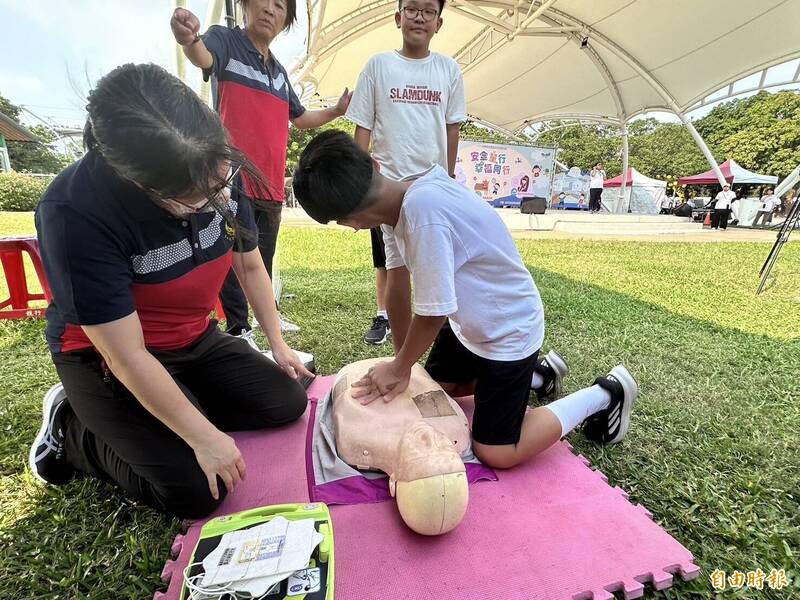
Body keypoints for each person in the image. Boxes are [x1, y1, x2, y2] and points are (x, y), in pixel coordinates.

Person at [29, 64, 313, 519]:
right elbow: (127, 356)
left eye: (219, 182)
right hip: (106, 358)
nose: (214, 197)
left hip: (193, 338)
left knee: (286, 401)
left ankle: (174, 405)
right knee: (198, 489)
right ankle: (70, 426)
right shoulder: (75, 211)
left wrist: (279, 343)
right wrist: (203, 438)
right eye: (191, 197)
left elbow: (248, 261)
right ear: (139, 182)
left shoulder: (213, 163)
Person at [293, 131, 639, 470]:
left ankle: (606, 393)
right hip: (467, 327)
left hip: (508, 332)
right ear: (375, 165)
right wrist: (406, 368)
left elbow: (431, 313)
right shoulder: (394, 201)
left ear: (350, 221)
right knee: (433, 394)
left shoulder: (423, 212)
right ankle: (538, 376)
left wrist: (398, 369)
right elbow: (398, 287)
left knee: (496, 452)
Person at [170, 1, 351, 338]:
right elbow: (203, 57)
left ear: (287, 20)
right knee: (231, 260)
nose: (270, 9)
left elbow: (300, 118)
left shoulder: (280, 72)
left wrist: (337, 111)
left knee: (260, 259)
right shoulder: (225, 40)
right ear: (245, 5)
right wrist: (190, 39)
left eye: (281, 6)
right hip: (231, 180)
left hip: (268, 184)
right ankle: (239, 329)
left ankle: (266, 318)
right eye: (264, 0)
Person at [345, 0, 465, 346]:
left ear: (439, 23)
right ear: (398, 17)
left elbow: (451, 129)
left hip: (433, 189)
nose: (419, 18)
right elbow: (363, 127)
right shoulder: (378, 66)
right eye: (412, 9)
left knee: (441, 269)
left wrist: (448, 177)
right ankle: (401, 352)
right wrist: (359, 184)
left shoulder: (448, 70)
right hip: (389, 190)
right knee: (396, 270)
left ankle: (452, 343)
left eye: (428, 12)